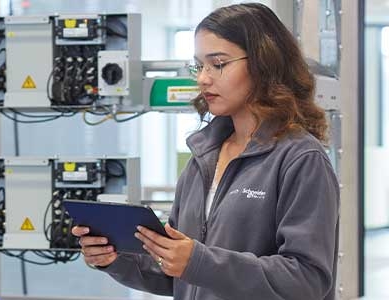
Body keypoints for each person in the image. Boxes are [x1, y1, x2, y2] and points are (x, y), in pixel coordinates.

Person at [72, 3, 340, 300]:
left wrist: (198, 262)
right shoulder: (203, 157)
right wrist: (115, 260)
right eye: (199, 65)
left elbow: (307, 279)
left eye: (219, 64)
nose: (203, 78)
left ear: (265, 64)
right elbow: (179, 274)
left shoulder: (301, 159)